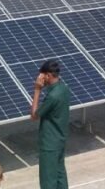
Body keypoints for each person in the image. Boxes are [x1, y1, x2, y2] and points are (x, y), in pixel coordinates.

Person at [31, 59, 71, 189]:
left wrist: (37, 89)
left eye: (42, 76)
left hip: (49, 143)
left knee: (48, 179)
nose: (40, 78)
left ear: (48, 75)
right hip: (60, 140)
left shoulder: (52, 96)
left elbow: (34, 115)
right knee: (60, 175)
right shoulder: (64, 89)